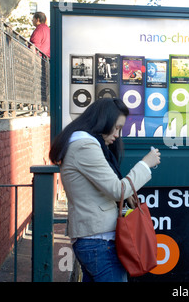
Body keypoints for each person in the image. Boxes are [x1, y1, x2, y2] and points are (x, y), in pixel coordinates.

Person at [49, 98, 161, 282]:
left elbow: (105, 189)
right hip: (100, 242)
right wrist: (145, 164)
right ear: (103, 121)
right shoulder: (85, 146)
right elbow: (118, 190)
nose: (117, 134)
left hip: (95, 240)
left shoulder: (83, 144)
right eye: (116, 127)